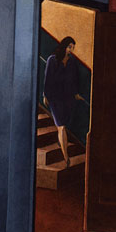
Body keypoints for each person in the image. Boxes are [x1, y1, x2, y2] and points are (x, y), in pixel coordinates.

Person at [43, 36, 84, 167]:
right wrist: (45, 95)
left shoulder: (72, 62)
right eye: (69, 47)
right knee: (61, 126)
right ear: (64, 46)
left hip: (67, 98)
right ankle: (66, 157)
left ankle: (63, 150)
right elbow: (47, 78)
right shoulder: (52, 60)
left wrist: (76, 93)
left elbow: (75, 78)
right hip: (55, 97)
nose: (71, 50)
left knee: (63, 126)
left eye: (73, 47)